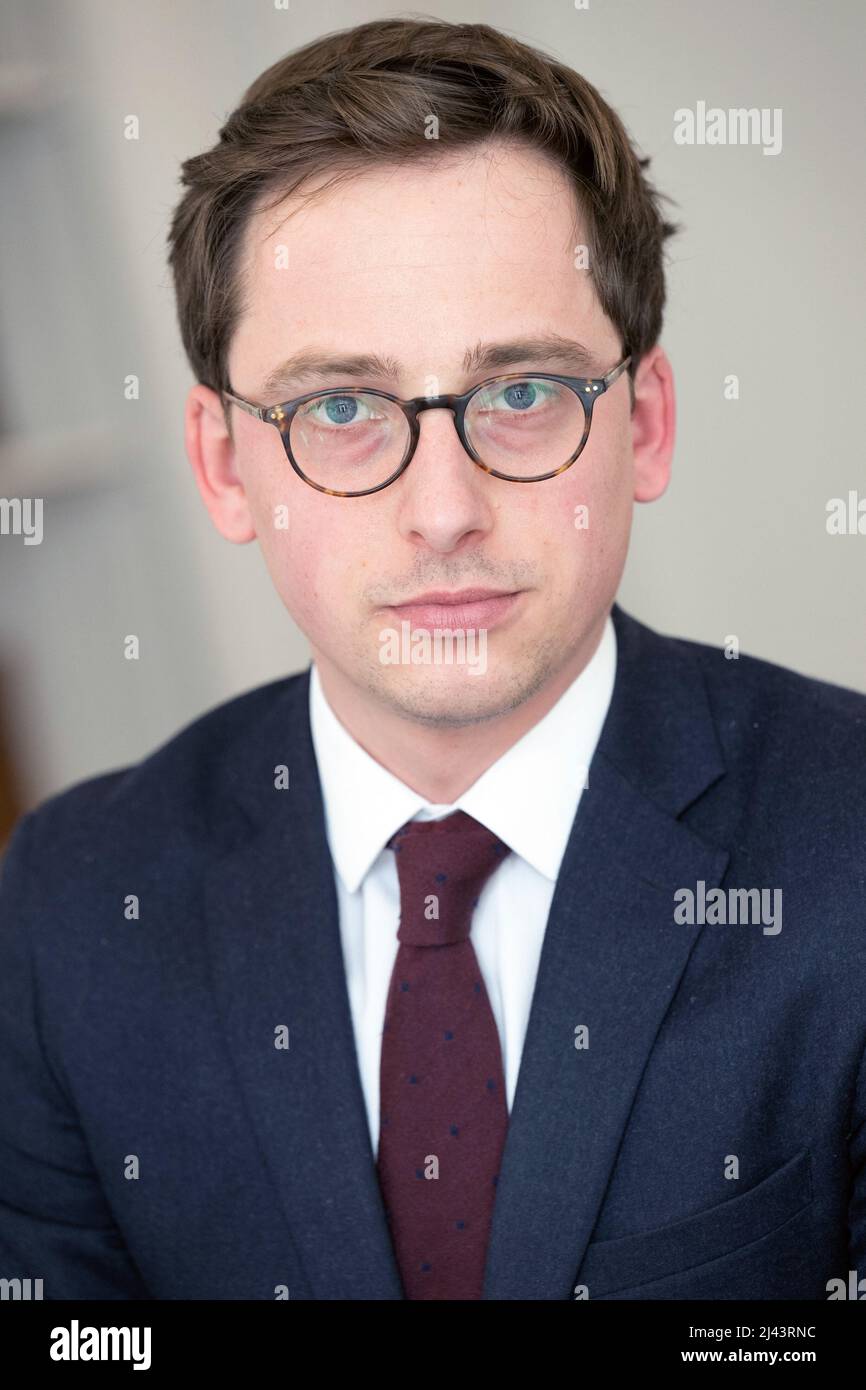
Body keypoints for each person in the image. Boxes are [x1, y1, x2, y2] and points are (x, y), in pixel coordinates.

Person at [0, 17, 863, 1302]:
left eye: (522, 391)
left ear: (648, 424)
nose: (443, 508)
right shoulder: (69, 905)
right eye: (337, 408)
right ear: (225, 465)